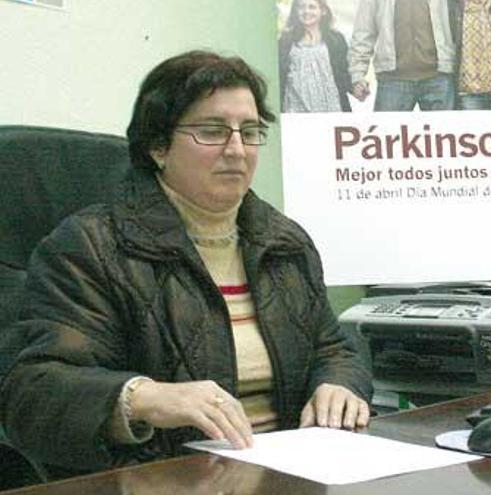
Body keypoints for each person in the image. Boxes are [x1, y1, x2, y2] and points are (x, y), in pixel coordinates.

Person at [0, 51, 372, 478]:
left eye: (249, 132)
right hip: (162, 479)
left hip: (288, 476)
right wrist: (141, 397)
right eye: (213, 131)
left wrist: (339, 383)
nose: (237, 149)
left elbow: (334, 347)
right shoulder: (90, 246)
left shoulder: (284, 242)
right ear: (158, 146)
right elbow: (31, 391)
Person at [349, 0, 460, 111]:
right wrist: (357, 75)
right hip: (393, 79)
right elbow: (363, 31)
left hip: (438, 76)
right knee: (388, 128)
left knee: (444, 128)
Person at [279, 0, 356, 112]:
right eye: (301, 7)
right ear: (295, 11)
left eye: (312, 7)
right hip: (295, 111)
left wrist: (357, 86)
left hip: (331, 109)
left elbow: (345, 74)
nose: (306, 11)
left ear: (323, 11)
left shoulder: (336, 40)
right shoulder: (285, 41)